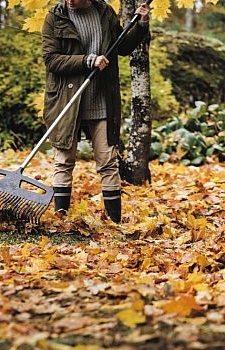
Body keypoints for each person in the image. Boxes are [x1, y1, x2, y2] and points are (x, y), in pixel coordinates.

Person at [41, 0, 151, 223]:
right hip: (67, 101)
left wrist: (141, 23)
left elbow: (122, 46)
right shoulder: (55, 16)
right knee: (63, 161)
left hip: (101, 99)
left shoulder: (104, 12)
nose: (70, 0)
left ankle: (114, 221)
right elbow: (51, 59)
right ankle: (61, 219)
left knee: (107, 162)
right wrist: (87, 60)